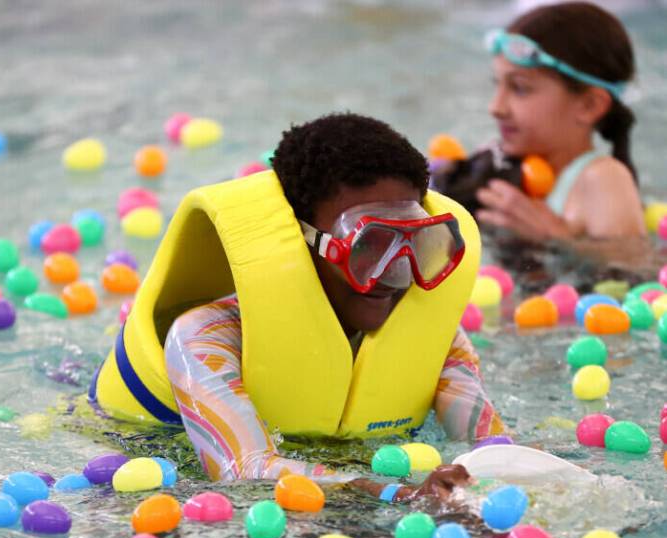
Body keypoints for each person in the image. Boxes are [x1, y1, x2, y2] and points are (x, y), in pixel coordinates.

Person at [89, 112, 512, 502]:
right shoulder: (205, 337)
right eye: (369, 247)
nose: (395, 274)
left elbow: (492, 450)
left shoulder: (436, 341)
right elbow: (245, 470)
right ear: (297, 243)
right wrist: (397, 495)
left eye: (416, 244)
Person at [434, 1, 645, 242]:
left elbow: (635, 266)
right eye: (498, 84)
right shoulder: (501, 163)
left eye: (520, 88)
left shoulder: (601, 178)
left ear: (589, 105)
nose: (495, 107)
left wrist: (558, 237)